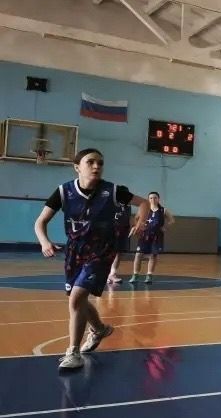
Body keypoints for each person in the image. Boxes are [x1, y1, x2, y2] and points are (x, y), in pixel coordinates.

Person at [33, 148, 151, 371]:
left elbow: (144, 203)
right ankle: (99, 329)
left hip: (101, 251)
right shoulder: (63, 191)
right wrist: (44, 242)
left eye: (100, 163)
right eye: (90, 162)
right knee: (78, 300)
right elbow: (40, 222)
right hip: (75, 252)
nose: (96, 166)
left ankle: (73, 352)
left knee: (76, 298)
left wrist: (141, 220)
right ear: (77, 167)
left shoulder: (113, 190)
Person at [129, 192, 173, 284]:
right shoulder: (144, 209)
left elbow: (171, 220)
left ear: (158, 199)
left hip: (156, 235)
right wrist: (137, 227)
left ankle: (149, 275)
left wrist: (165, 227)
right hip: (144, 235)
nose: (153, 199)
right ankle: (135, 275)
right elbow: (136, 218)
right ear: (148, 199)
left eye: (155, 198)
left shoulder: (163, 210)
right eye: (151, 198)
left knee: (153, 255)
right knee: (138, 255)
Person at [107, 196, 131, 286]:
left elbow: (127, 219)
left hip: (122, 232)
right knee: (107, 253)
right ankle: (103, 274)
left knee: (118, 253)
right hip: (110, 232)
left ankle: (112, 274)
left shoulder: (127, 206)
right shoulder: (110, 203)